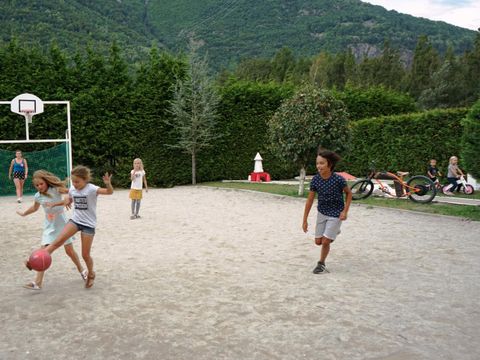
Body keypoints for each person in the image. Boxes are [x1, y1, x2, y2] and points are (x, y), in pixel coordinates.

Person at [28, 165, 113, 288]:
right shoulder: (73, 189)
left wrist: (108, 184)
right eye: (73, 181)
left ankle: (91, 274)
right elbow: (68, 199)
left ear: (85, 180)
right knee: (56, 242)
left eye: (77, 181)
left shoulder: (91, 189)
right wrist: (60, 202)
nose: (75, 184)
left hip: (88, 225)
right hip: (75, 221)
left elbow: (109, 192)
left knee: (85, 255)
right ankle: (34, 261)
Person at [18, 170, 86, 290]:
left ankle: (82, 270)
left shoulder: (55, 190)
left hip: (62, 223)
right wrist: (24, 213)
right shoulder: (38, 196)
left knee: (69, 251)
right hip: (49, 225)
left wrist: (66, 198)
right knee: (44, 251)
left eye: (41, 184)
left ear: (47, 182)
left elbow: (71, 192)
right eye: (37, 185)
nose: (39, 187)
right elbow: (34, 208)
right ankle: (37, 282)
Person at [302, 149, 352, 274]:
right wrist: (304, 220)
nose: (319, 166)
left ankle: (321, 264)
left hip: (336, 213)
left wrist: (345, 212)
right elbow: (310, 200)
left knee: (325, 241)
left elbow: (349, 194)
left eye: (322, 163)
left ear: (330, 164)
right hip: (322, 212)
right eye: (317, 163)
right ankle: (334, 231)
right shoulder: (315, 180)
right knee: (318, 242)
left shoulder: (338, 180)